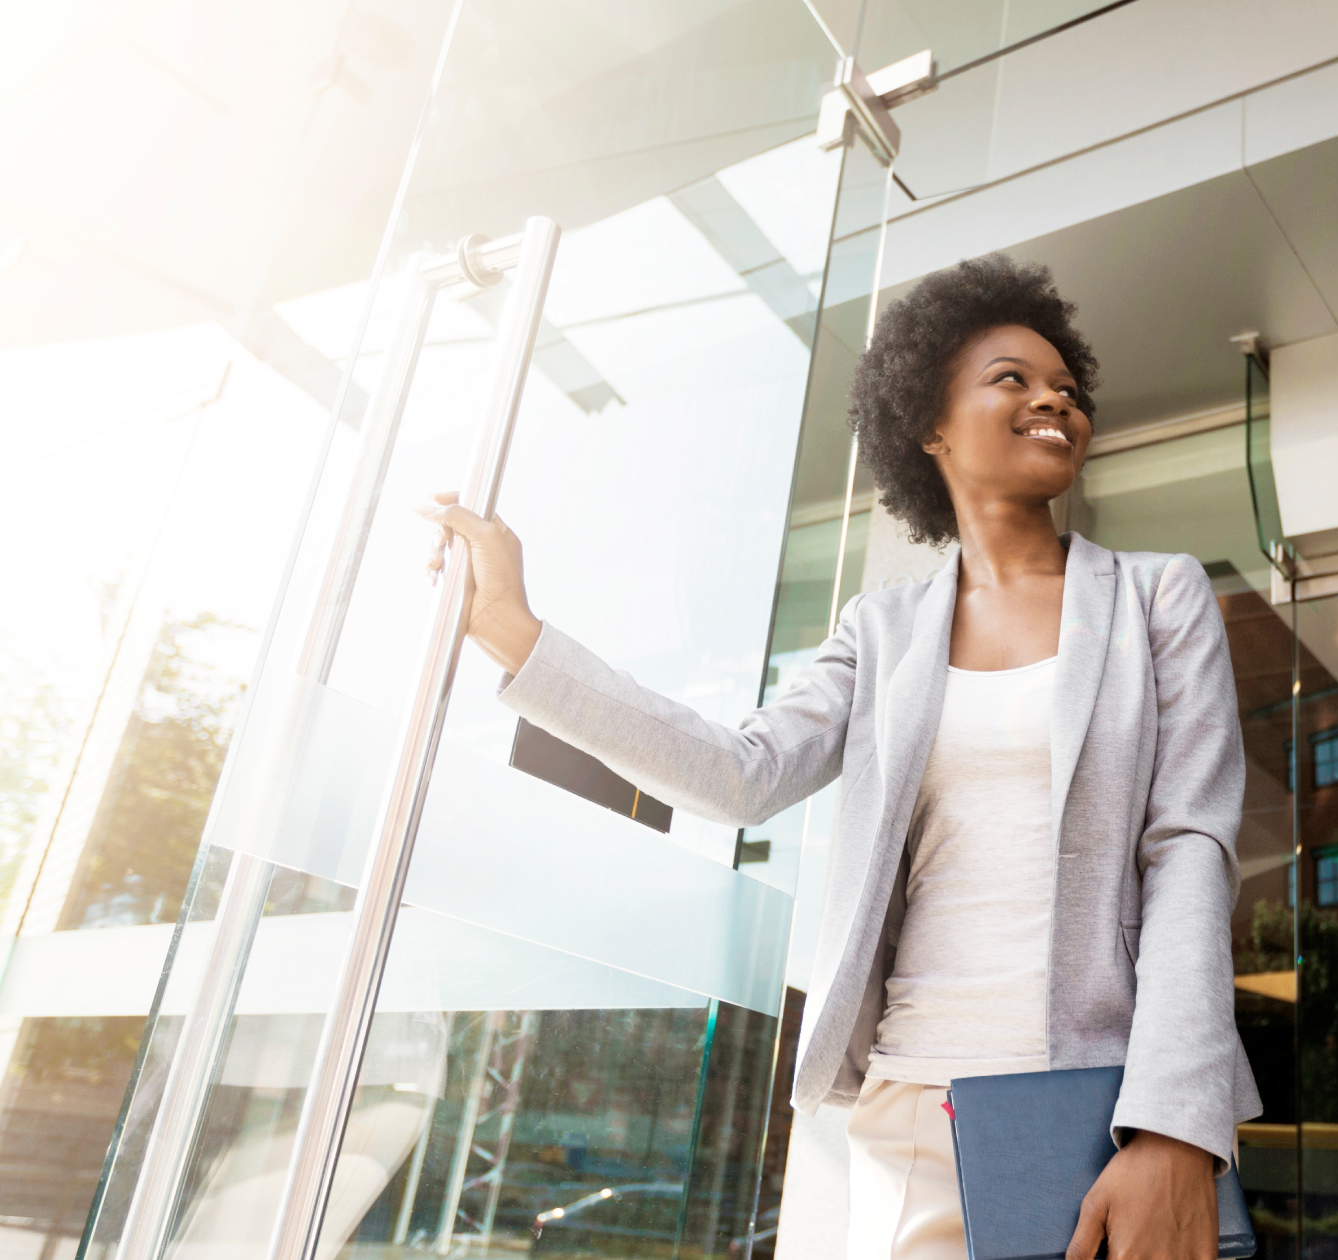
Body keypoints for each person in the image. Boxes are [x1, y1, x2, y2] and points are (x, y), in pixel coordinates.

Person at [418, 255, 1260, 1260]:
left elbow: (1189, 851)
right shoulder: (882, 631)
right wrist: (513, 629)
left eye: (1066, 387)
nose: (1051, 399)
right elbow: (739, 773)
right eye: (1011, 379)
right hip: (911, 1107)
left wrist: (1170, 1122)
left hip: (1094, 1103)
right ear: (930, 426)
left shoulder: (1155, 597)